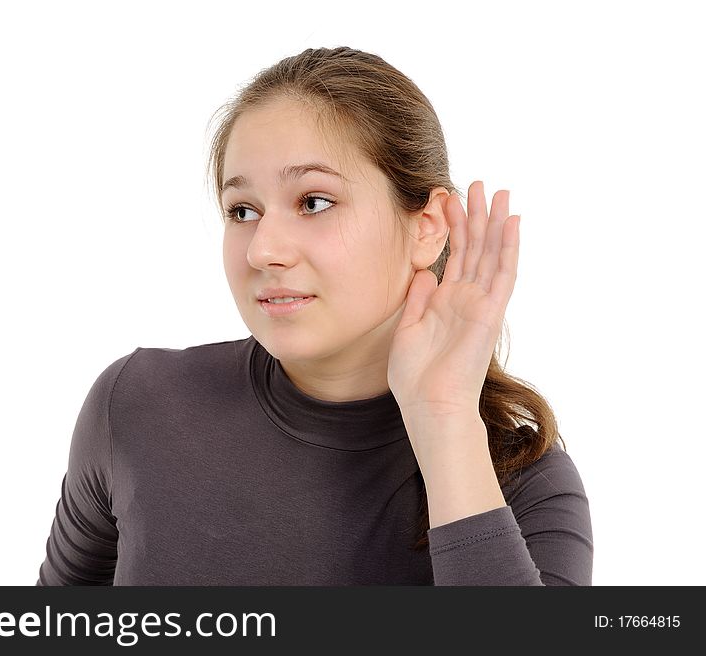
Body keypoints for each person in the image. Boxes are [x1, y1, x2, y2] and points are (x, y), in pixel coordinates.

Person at [36, 46, 593, 586]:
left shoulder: (523, 486)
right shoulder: (138, 405)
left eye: (314, 202)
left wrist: (444, 421)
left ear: (426, 226)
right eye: (243, 211)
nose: (263, 251)